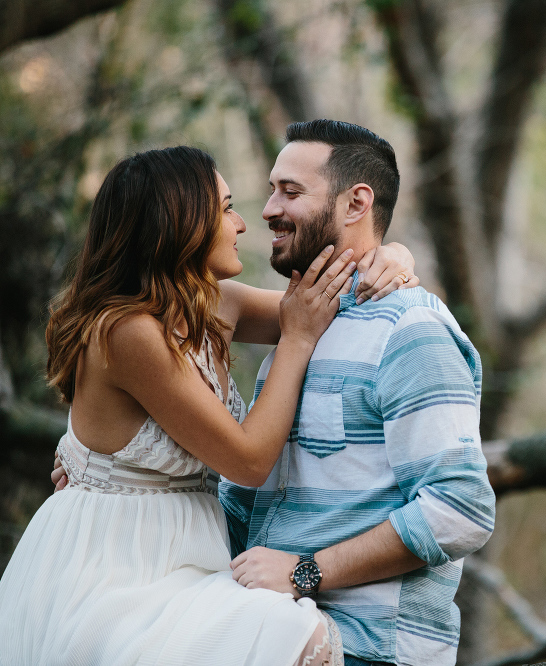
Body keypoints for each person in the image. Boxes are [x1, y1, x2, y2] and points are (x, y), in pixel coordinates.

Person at [0, 145, 417, 665]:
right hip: (115, 571)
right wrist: (295, 342)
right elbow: (248, 460)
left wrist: (393, 255)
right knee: (294, 632)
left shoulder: (217, 303)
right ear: (179, 222)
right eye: (225, 208)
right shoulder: (128, 333)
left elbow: (341, 303)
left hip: (187, 556)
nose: (243, 223)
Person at [218, 120, 496, 666]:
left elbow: (462, 508)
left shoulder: (410, 331)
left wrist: (304, 570)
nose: (269, 209)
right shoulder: (298, 327)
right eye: (273, 188)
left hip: (367, 646)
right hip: (272, 625)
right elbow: (242, 505)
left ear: (355, 204)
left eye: (291, 192)